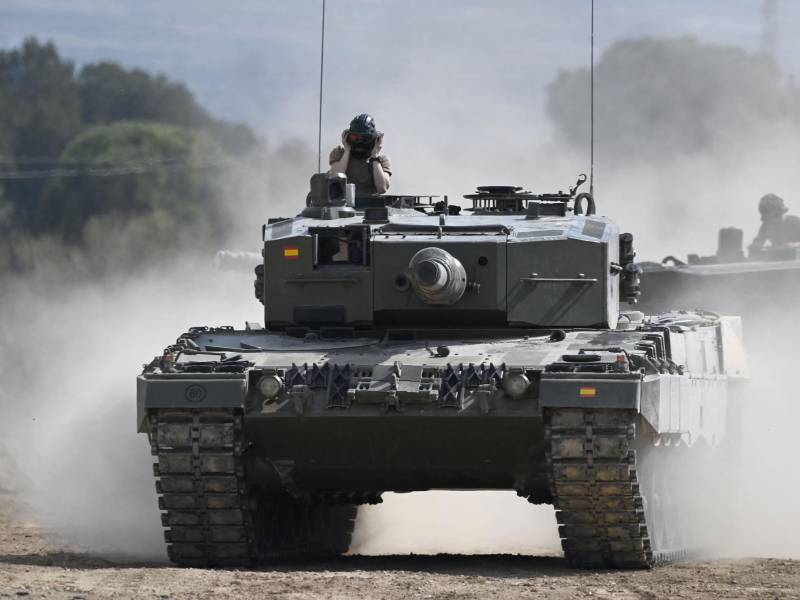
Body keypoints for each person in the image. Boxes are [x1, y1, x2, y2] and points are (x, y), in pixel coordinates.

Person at [329, 113, 392, 195]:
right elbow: (336, 177)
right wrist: (347, 150)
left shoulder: (382, 159)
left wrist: (375, 157)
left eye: (364, 138)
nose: (359, 141)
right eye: (355, 138)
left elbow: (382, 188)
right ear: (347, 136)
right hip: (343, 204)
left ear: (374, 139)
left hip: (370, 205)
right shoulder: (339, 153)